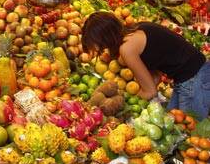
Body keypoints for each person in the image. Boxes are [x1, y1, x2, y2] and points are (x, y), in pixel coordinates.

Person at [81, 12, 210, 120]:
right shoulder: (137, 29)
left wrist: (126, 106)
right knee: (175, 125)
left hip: (194, 78)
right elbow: (155, 78)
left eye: (98, 45)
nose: (101, 50)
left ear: (104, 37)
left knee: (192, 135)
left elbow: (150, 91)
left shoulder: (127, 48)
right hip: (193, 74)